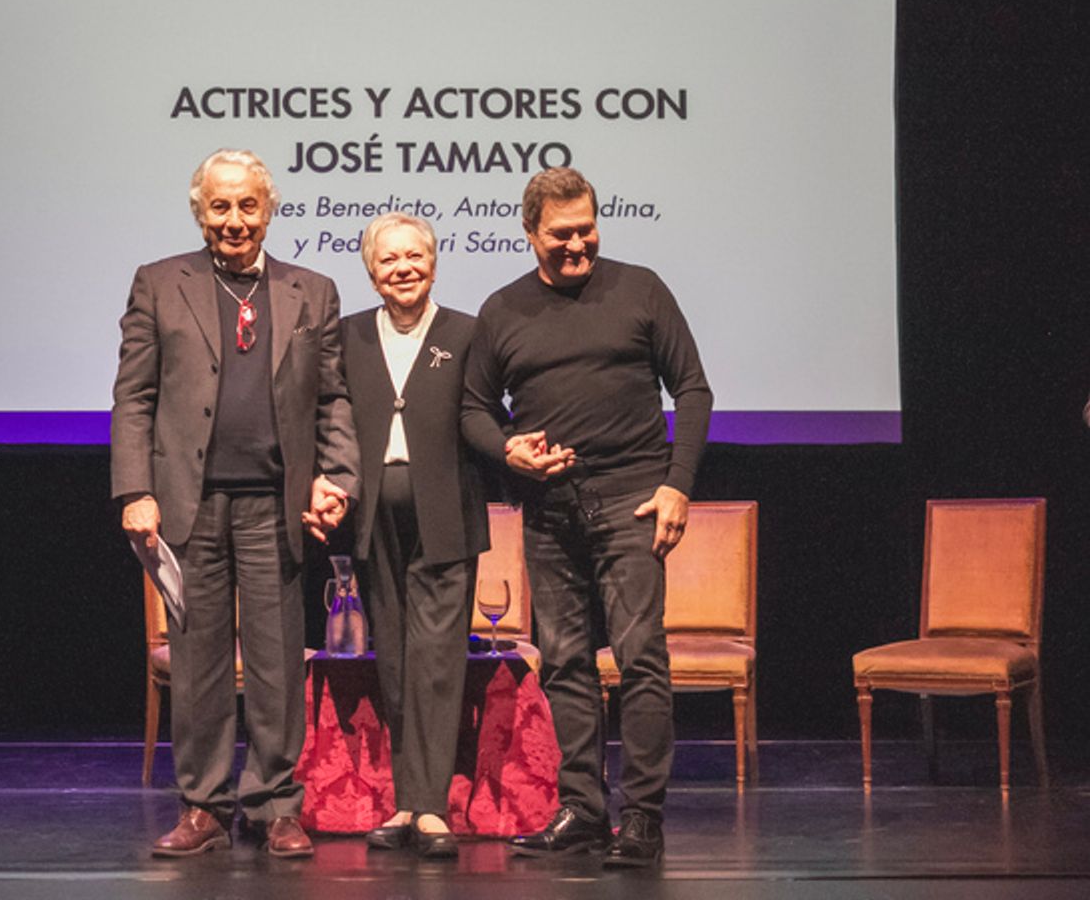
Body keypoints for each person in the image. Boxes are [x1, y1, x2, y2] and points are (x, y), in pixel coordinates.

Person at [461, 166, 712, 868]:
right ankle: (580, 809)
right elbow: (473, 409)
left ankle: (643, 819)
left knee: (639, 659)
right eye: (560, 235)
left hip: (633, 497)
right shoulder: (503, 310)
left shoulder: (641, 289)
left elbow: (691, 388)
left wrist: (677, 487)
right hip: (549, 509)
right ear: (530, 232)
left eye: (587, 230)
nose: (577, 246)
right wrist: (509, 450)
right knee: (565, 662)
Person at [111, 149, 359, 859]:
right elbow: (134, 395)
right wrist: (136, 490)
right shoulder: (159, 284)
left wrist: (334, 477)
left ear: (268, 210)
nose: (234, 220)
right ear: (200, 212)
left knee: (280, 664)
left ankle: (278, 804)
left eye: (247, 205)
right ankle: (205, 805)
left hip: (274, 506)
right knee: (199, 664)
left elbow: (334, 398)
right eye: (219, 207)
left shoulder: (313, 290)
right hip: (188, 506)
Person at [340, 213, 488, 859]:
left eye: (414, 256)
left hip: (445, 514)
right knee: (395, 662)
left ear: (434, 262)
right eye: (388, 259)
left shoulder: (468, 333)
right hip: (374, 517)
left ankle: (431, 809)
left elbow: (485, 418)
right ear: (371, 271)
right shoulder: (346, 336)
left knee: (436, 660)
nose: (402, 268)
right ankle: (404, 801)